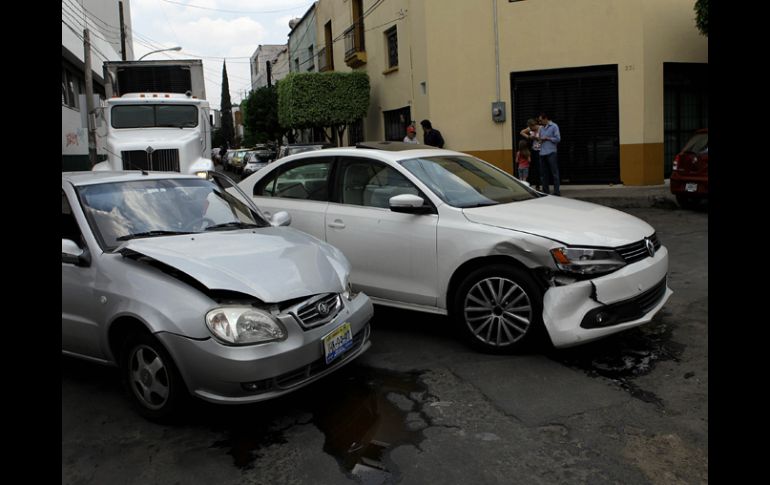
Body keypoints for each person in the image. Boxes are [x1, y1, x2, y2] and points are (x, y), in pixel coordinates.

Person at [538, 112, 561, 196]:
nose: (540, 122)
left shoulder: (554, 126)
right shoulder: (540, 128)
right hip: (542, 153)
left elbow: (558, 139)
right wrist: (539, 141)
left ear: (546, 119)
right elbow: (540, 139)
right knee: (543, 174)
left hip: (551, 152)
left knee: (554, 173)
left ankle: (556, 192)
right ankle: (545, 192)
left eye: (541, 120)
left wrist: (547, 138)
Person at [519, 118, 542, 189]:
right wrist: (529, 137)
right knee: (533, 167)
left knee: (540, 168)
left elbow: (543, 138)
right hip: (534, 150)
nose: (531, 129)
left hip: (541, 150)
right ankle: (534, 183)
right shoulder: (530, 129)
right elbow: (521, 132)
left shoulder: (541, 128)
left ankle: (539, 184)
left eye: (531, 127)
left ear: (534, 125)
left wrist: (538, 138)